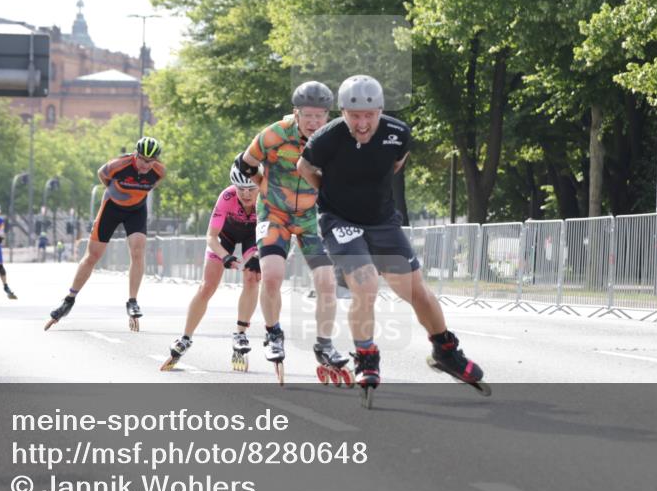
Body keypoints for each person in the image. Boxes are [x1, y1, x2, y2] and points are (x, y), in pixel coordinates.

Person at [298, 75, 488, 406]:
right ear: (342, 113)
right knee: (366, 284)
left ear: (380, 110)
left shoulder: (397, 133)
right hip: (339, 220)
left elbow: (396, 163)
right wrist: (330, 194)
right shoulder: (326, 139)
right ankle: (366, 356)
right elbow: (304, 167)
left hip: (382, 221)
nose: (361, 123)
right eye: (354, 116)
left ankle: (445, 350)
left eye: (369, 115)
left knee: (417, 292)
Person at [232, 81, 346, 384]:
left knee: (326, 282)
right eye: (307, 116)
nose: (313, 122)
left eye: (319, 116)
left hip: (310, 218)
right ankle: (273, 333)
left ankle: (324, 344)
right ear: (296, 113)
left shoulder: (334, 137)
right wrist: (264, 185)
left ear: (327, 115)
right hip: (275, 214)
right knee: (271, 276)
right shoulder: (275, 134)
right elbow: (245, 163)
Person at [45, 136, 166, 331]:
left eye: (151, 161)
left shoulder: (159, 172)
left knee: (138, 251)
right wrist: (116, 192)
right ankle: (69, 299)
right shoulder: (118, 165)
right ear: (136, 155)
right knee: (93, 256)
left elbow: (152, 185)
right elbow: (102, 175)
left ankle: (132, 301)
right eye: (142, 159)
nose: (146, 165)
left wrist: (134, 196)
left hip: (136, 210)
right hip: (111, 208)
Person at [162, 165, 262, 372]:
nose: (245, 193)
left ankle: (240, 334)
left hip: (253, 236)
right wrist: (225, 256)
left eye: (251, 189)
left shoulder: (268, 197)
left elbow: (272, 233)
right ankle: (185, 338)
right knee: (207, 287)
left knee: (252, 277)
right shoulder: (227, 197)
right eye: (240, 188)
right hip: (224, 236)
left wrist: (258, 255)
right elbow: (211, 236)